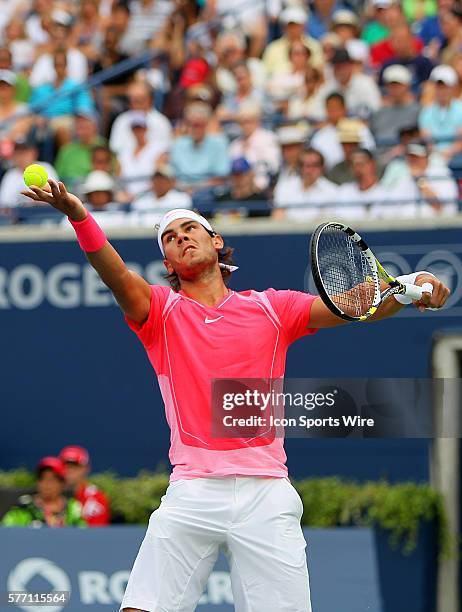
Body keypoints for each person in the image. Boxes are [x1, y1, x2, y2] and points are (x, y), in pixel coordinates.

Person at [21, 177, 449, 611]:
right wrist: (80, 217)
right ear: (167, 262)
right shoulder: (160, 313)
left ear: (215, 239)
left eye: (189, 228)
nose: (180, 238)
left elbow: (356, 303)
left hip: (267, 493)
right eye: (169, 238)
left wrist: (414, 283)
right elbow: (115, 276)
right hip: (193, 490)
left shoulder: (271, 308)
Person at [371, 142, 459, 218]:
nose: (412, 160)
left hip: (436, 228)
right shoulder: (404, 177)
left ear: (426, 157)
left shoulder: (440, 173)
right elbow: (389, 206)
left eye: (416, 157)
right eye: (409, 156)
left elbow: (438, 206)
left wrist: (420, 181)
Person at [2, 457, 85, 527]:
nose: (46, 484)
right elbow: (6, 534)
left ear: (62, 484)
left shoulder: (73, 508)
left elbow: (83, 536)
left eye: (52, 480)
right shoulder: (24, 507)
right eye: (42, 479)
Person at [170, 102, 230, 187]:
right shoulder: (178, 143)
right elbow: (172, 174)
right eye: (189, 125)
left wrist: (196, 188)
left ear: (206, 125)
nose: (192, 129)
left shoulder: (219, 143)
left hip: (209, 190)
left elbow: (220, 177)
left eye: (197, 125)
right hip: (181, 189)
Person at [310, 92, 374, 170]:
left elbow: (369, 152)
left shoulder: (360, 128)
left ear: (344, 109)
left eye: (336, 108)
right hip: (331, 175)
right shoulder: (319, 136)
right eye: (329, 108)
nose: (333, 112)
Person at [273, 147, 337, 221]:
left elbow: (327, 222)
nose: (308, 170)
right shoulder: (284, 186)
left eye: (314, 165)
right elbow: (277, 215)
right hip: (288, 231)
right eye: (305, 165)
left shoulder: (332, 190)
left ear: (322, 168)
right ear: (300, 167)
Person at [109, 82, 172, 157]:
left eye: (140, 99)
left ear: (150, 99)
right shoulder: (121, 120)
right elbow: (114, 149)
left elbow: (166, 151)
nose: (136, 103)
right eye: (133, 99)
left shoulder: (161, 122)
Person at [370, 64, 420, 155]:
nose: (395, 89)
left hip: (406, 158)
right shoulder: (379, 113)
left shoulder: (418, 111)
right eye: (391, 85)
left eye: (398, 85)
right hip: (379, 157)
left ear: (407, 86)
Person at [229, 101, 280, 190]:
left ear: (257, 121)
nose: (245, 126)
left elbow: (273, 166)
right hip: (238, 189)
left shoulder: (268, 138)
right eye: (242, 122)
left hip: (261, 188)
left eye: (248, 121)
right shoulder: (235, 145)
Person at [59, 445, 111, 527]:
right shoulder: (51, 495)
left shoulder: (96, 499)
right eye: (65, 466)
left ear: (86, 468)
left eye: (74, 466)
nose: (69, 470)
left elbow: (96, 535)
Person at [419, 64, 462, 161]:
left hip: (457, 158)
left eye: (445, 87)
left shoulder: (461, 108)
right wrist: (438, 155)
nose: (442, 91)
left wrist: (449, 152)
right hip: (433, 158)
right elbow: (427, 139)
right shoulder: (426, 111)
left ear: (453, 87)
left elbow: (460, 141)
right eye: (439, 87)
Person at [0, 138, 57, 208]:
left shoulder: (46, 168)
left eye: (25, 152)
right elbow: (4, 204)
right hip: (19, 217)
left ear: (34, 153)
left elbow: (55, 197)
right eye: (18, 153)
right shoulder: (10, 175)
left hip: (44, 214)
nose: (21, 157)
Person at [335, 148, 390, 219]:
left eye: (360, 164)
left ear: (372, 164)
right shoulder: (344, 191)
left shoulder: (386, 192)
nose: (357, 168)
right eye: (353, 164)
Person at [55, 111, 107, 181]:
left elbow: (114, 171)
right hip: (71, 189)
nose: (81, 131)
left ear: (94, 126)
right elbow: (58, 177)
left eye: (85, 125)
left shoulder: (104, 146)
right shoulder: (66, 150)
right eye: (78, 126)